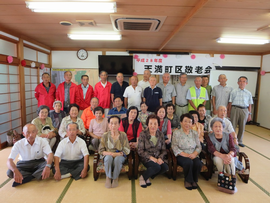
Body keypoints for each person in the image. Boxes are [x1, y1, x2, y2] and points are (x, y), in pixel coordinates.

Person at [171, 113, 202, 190]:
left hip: (193, 154)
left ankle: (194, 180)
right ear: (181, 122)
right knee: (188, 162)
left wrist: (195, 154)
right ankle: (188, 180)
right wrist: (184, 154)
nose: (187, 123)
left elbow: (199, 146)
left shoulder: (194, 133)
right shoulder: (176, 133)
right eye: (185, 121)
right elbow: (174, 146)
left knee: (198, 163)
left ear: (192, 124)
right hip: (181, 155)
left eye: (189, 122)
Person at [99, 116, 130, 188]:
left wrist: (117, 154)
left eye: (116, 123)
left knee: (118, 159)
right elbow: (101, 150)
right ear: (109, 125)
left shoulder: (123, 135)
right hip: (108, 154)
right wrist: (110, 154)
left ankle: (115, 178)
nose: (113, 125)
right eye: (111, 123)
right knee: (108, 158)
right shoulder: (105, 135)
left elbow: (127, 149)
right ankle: (108, 177)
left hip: (120, 154)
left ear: (119, 125)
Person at [137, 114, 168, 188]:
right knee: (157, 167)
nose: (153, 126)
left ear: (158, 125)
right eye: (151, 123)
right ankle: (143, 177)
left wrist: (160, 158)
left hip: (157, 157)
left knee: (165, 167)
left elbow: (164, 150)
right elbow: (140, 150)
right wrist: (151, 157)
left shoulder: (160, 134)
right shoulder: (143, 134)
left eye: (155, 123)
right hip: (146, 158)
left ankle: (148, 176)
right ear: (147, 124)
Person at [228, 76, 253, 147]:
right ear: (238, 82)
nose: (242, 83)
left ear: (246, 83)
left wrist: (249, 114)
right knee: (233, 126)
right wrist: (229, 112)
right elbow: (230, 102)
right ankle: (232, 140)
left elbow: (250, 104)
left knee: (242, 126)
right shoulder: (233, 91)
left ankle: (240, 141)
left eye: (244, 81)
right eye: (240, 81)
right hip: (235, 109)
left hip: (244, 110)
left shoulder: (248, 93)